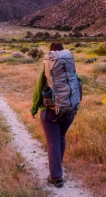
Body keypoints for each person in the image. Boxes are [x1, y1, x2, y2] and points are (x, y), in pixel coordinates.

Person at [30, 42, 80, 188]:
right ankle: (58, 164)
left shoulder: (46, 70)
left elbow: (38, 91)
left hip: (50, 113)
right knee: (61, 138)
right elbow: (77, 88)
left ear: (51, 54)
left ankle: (56, 177)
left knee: (53, 142)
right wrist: (74, 108)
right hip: (69, 112)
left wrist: (33, 110)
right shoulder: (71, 70)